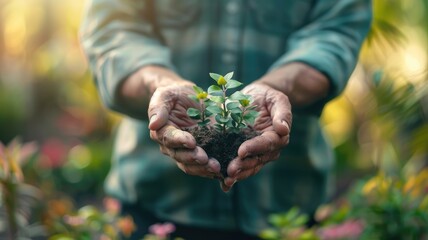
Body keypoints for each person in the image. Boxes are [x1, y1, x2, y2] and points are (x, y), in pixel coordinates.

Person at [80, 0, 372, 239]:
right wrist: (159, 84)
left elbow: (335, 34)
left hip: (284, 210)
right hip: (153, 202)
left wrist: (278, 88)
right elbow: (113, 32)